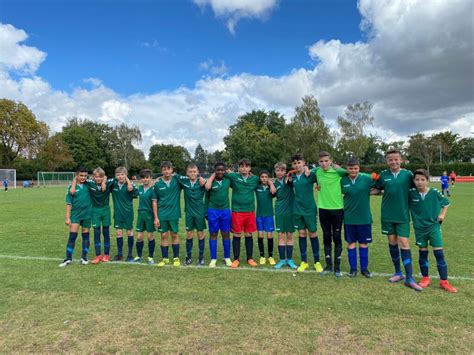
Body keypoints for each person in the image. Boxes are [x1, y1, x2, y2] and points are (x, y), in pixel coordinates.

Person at [373, 149, 422, 291]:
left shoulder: (408, 175)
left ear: (401, 160)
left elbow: (417, 188)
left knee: (404, 243)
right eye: (390, 159)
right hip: (387, 215)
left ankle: (410, 277)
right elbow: (376, 189)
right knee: (392, 242)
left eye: (396, 159)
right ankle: (398, 273)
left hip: (402, 216)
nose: (393, 162)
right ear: (387, 161)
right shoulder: (383, 175)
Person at [409, 169, 457, 293]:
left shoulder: (435, 193)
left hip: (433, 227)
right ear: (414, 181)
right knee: (423, 254)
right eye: (417, 180)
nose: (420, 182)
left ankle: (444, 281)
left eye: (422, 180)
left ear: (428, 181)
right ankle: (425, 278)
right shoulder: (411, 193)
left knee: (439, 254)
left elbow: (446, 203)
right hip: (419, 229)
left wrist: (442, 214)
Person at [207, 158, 259, 268]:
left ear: (250, 168)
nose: (244, 168)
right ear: (239, 168)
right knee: (237, 234)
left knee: (249, 234)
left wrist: (270, 183)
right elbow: (219, 172)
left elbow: (265, 180)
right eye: (242, 166)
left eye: (246, 166)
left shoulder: (255, 179)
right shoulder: (233, 177)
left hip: (250, 211)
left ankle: (250, 258)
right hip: (237, 211)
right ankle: (236, 259)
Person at [311, 151, 347, 277]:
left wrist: (340, 168)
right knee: (326, 236)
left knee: (336, 236)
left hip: (337, 209)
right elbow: (306, 170)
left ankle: (337, 267)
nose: (324, 163)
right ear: (318, 162)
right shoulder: (317, 171)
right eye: (321, 161)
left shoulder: (338, 172)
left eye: (326, 161)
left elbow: (352, 172)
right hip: (323, 209)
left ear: (331, 160)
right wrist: (305, 168)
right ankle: (328, 266)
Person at [341, 158, 377, 278]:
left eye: (355, 168)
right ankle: (353, 269)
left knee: (363, 244)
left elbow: (379, 186)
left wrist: (370, 192)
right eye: (350, 168)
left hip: (364, 218)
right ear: (347, 169)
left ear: (359, 168)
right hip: (349, 218)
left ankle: (364, 269)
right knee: (350, 243)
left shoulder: (366, 178)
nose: (353, 171)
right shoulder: (343, 180)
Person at [289, 154, 323, 273]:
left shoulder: (310, 174)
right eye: (295, 163)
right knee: (302, 234)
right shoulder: (291, 176)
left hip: (309, 209)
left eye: (299, 162)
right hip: (297, 209)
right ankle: (304, 262)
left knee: (312, 233)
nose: (297, 165)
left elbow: (320, 170)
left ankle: (317, 262)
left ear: (303, 162)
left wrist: (309, 169)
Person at [59, 167, 92, 267]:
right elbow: (68, 204)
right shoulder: (71, 188)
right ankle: (68, 258)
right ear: (77, 176)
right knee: (72, 236)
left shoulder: (88, 185)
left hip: (87, 215)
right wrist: (67, 217)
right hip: (75, 215)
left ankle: (84, 257)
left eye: (85, 176)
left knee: (86, 236)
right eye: (81, 175)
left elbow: (101, 177)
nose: (83, 177)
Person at [154, 161, 183, 267]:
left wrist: (176, 174)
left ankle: (176, 258)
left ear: (172, 170)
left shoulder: (177, 181)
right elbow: (154, 201)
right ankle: (165, 258)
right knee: (164, 235)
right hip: (162, 214)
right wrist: (156, 217)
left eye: (168, 168)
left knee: (174, 234)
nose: (166, 171)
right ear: (161, 171)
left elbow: (188, 178)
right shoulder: (157, 184)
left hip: (174, 214)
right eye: (164, 169)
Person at [177, 164, 207, 266]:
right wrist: (157, 179)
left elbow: (209, 188)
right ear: (187, 173)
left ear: (197, 172)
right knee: (189, 234)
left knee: (200, 234)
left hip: (199, 212)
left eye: (194, 171)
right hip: (189, 213)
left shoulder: (202, 182)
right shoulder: (184, 181)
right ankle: (188, 257)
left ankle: (201, 257)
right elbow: (172, 175)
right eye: (190, 171)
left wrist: (202, 179)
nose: (192, 173)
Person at [204, 162, 232, 267]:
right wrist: (205, 212)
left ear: (224, 171)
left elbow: (237, 177)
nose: (220, 172)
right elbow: (206, 195)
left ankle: (227, 257)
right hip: (213, 211)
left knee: (225, 233)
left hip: (225, 211)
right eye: (218, 170)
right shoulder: (210, 182)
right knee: (213, 233)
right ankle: (213, 258)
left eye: (222, 170)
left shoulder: (228, 180)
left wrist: (230, 172)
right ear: (215, 171)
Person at [110, 167, 138, 262]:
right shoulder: (113, 184)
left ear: (126, 175)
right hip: (117, 213)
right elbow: (104, 180)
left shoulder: (131, 185)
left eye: (122, 174)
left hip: (128, 213)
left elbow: (136, 194)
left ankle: (130, 255)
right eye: (118, 175)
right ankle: (120, 254)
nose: (120, 176)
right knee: (118, 233)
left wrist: (129, 183)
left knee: (129, 232)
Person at [272, 162, 297, 270]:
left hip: (291, 211)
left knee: (290, 235)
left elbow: (297, 171)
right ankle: (282, 260)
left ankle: (290, 259)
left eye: (282, 170)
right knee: (281, 235)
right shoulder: (274, 184)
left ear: (285, 171)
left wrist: (290, 175)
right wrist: (270, 183)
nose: (280, 172)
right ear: (275, 171)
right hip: (279, 212)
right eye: (278, 170)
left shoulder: (290, 180)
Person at [86, 167, 113, 264]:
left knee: (106, 232)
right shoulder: (89, 182)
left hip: (106, 210)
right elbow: (77, 178)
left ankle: (106, 254)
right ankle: (98, 255)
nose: (98, 178)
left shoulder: (108, 182)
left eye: (100, 177)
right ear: (93, 177)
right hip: (95, 211)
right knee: (96, 233)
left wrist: (104, 182)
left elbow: (117, 178)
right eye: (96, 177)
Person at [132, 169, 158, 264]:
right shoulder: (140, 189)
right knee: (139, 237)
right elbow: (132, 193)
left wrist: (155, 217)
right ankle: (139, 256)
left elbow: (155, 203)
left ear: (150, 178)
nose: (145, 179)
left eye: (147, 177)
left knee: (150, 236)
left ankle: (150, 257)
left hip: (149, 215)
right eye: (143, 178)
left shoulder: (153, 189)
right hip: (140, 214)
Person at [255, 170, 277, 265]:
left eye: (266, 177)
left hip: (269, 215)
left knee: (269, 235)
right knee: (260, 235)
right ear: (260, 178)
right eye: (262, 177)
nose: (264, 178)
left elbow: (274, 192)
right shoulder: (257, 187)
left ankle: (271, 256)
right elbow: (251, 176)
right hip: (259, 215)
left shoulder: (271, 187)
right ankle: (262, 256)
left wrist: (271, 184)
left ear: (268, 178)